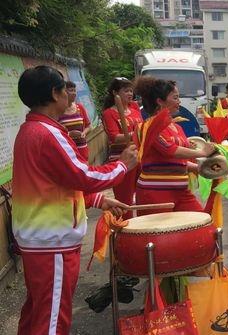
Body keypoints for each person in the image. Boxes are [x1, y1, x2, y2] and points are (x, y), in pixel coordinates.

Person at [12, 66, 137, 335]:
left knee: (37, 311)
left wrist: (97, 200)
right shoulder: (48, 133)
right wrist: (122, 166)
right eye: (64, 90)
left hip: (39, 238)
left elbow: (55, 181)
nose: (70, 95)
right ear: (54, 94)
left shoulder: (31, 129)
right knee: (52, 319)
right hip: (51, 241)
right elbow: (83, 175)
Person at [134, 76, 216, 215]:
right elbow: (169, 150)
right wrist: (202, 153)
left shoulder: (176, 126)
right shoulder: (148, 127)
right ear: (160, 101)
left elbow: (176, 161)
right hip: (155, 192)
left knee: (203, 224)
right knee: (161, 236)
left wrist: (200, 167)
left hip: (181, 190)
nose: (179, 102)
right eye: (175, 98)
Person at [102, 77, 143, 208]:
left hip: (138, 156)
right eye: (126, 91)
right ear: (115, 93)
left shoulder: (135, 108)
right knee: (125, 199)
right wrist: (136, 134)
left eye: (131, 91)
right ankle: (125, 224)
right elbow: (114, 137)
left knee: (143, 194)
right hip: (122, 158)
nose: (130, 94)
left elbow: (142, 127)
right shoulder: (109, 113)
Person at [59, 80, 91, 160]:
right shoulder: (58, 111)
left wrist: (83, 133)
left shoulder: (80, 107)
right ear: (64, 92)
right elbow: (56, 131)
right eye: (71, 90)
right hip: (67, 150)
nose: (74, 93)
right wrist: (69, 134)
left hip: (82, 148)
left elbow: (89, 126)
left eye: (74, 90)